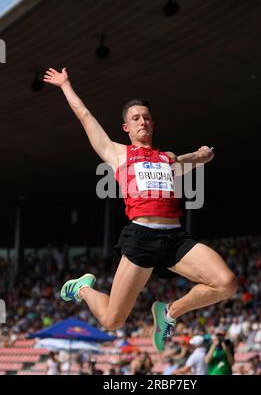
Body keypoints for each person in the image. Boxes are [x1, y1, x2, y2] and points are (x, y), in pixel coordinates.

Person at [43, 67, 238, 353]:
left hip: (175, 238)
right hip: (141, 237)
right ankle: (82, 288)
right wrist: (65, 85)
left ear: (153, 123)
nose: (142, 122)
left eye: (146, 117)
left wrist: (202, 156)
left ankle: (169, 312)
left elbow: (183, 163)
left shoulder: (166, 158)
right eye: (136, 118)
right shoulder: (117, 153)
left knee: (227, 283)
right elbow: (85, 116)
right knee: (112, 320)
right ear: (126, 127)